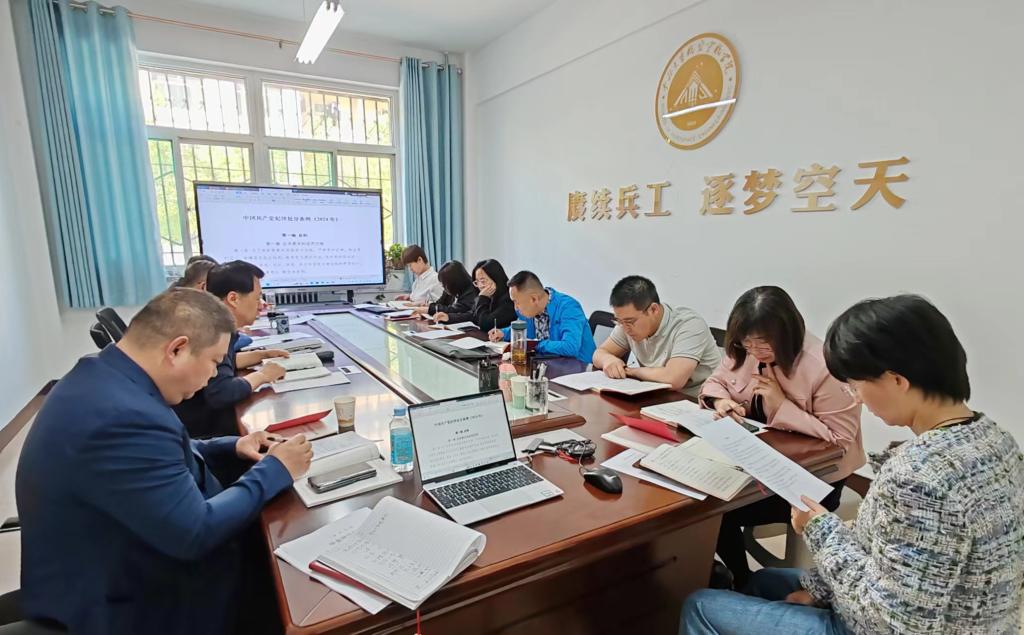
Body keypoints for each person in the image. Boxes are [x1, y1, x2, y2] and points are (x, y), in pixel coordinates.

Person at [681, 295, 1024, 635]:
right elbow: (883, 552)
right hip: (956, 616)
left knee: (700, 604)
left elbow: (895, 621)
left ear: (896, 380)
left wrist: (819, 528)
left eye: (856, 385)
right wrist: (818, 589)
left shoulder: (919, 477)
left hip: (887, 624)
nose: (856, 397)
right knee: (762, 582)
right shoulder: (997, 440)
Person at [16, 288, 313, 635]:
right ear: (177, 349)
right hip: (129, 605)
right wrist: (276, 469)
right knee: (291, 584)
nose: (213, 377)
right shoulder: (123, 418)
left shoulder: (105, 378)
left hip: (123, 557)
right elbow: (195, 533)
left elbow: (167, 451)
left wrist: (234, 445)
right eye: (214, 362)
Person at [699, 286, 864, 590]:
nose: (754, 351)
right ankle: (728, 574)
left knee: (715, 511)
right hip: (757, 463)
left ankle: (743, 583)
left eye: (762, 342)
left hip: (813, 480)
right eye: (747, 342)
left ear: (787, 333)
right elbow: (716, 381)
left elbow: (839, 441)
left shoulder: (825, 366)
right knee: (701, 498)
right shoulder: (744, 351)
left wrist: (781, 405)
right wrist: (722, 401)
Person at [174, 261, 289, 439]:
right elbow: (221, 392)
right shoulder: (213, 331)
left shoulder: (210, 321)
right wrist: (263, 375)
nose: (261, 305)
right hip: (204, 433)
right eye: (257, 298)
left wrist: (261, 355)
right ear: (233, 299)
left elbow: (222, 363)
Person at [592, 276, 721, 396]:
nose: (625, 328)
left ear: (653, 310)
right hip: (656, 395)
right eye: (619, 321)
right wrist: (608, 360)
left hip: (697, 401)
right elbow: (600, 353)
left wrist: (631, 371)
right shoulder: (626, 323)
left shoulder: (689, 325)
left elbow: (674, 379)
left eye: (630, 322)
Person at [488, 271, 596, 363]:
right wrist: (503, 333)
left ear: (534, 299)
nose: (515, 307)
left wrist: (536, 344)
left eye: (517, 302)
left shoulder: (569, 307)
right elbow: (523, 328)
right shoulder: (529, 310)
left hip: (577, 370)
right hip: (547, 365)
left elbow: (570, 347)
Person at [436, 259, 516, 329]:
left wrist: (482, 298)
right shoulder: (489, 296)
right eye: (477, 282)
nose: (480, 286)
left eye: (483, 281)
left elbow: (486, 324)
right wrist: (449, 317)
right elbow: (473, 315)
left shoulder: (509, 299)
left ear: (496, 278)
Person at [411, 260, 478, 320]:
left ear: (454, 282)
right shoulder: (450, 288)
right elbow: (440, 303)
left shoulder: (472, 291)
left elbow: (456, 310)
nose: (443, 286)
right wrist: (428, 306)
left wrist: (429, 309)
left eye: (445, 284)